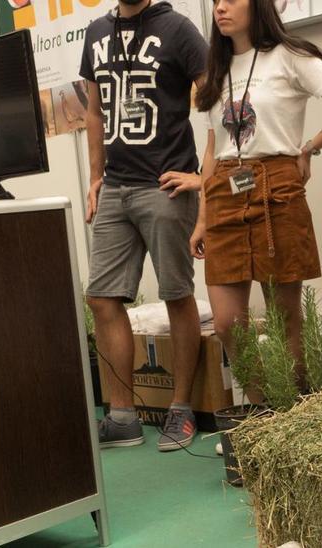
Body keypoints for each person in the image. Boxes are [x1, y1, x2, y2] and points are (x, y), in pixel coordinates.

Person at [187, 0, 322, 395]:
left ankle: (293, 412)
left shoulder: (290, 56)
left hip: (276, 186)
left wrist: (309, 147)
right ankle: (261, 413)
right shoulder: (215, 70)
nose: (220, 8)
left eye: (231, 0)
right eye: (216, 1)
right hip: (222, 191)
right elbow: (212, 145)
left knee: (285, 317)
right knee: (226, 323)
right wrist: (201, 217)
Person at [80, 0, 208, 451]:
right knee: (101, 297)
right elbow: (94, 110)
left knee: (176, 293)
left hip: (167, 185)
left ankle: (181, 410)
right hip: (116, 187)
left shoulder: (179, 29)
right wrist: (95, 175)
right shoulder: (96, 31)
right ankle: (122, 417)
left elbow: (221, 100)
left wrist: (203, 177)